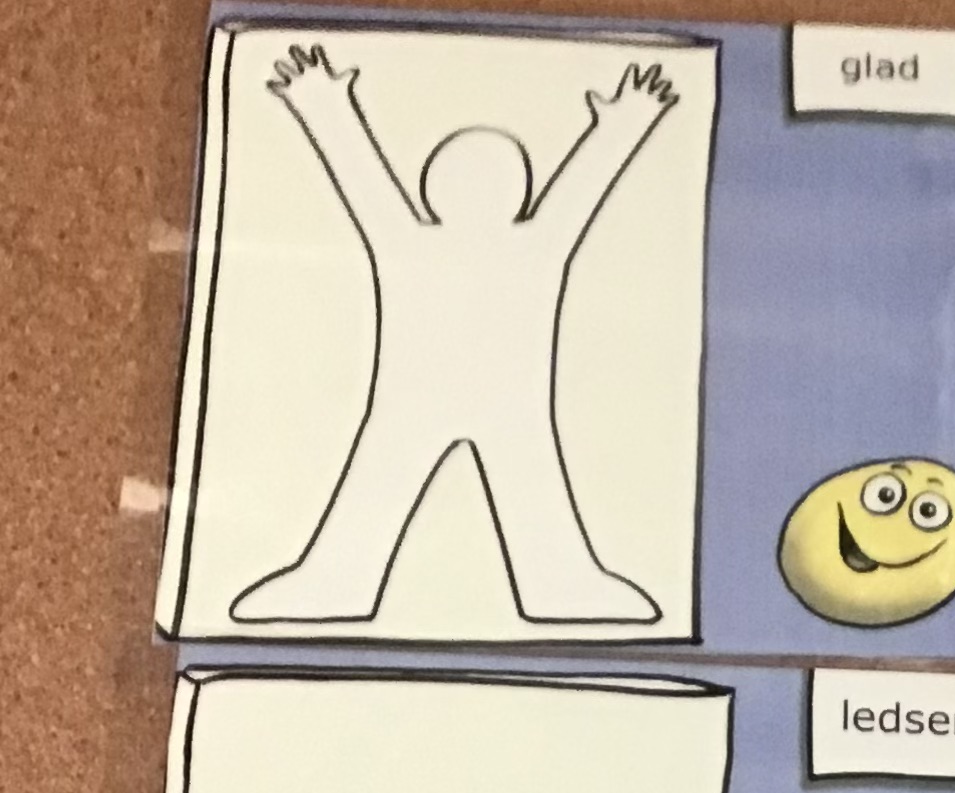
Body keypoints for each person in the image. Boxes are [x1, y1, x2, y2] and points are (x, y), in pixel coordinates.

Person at [232, 46, 674, 625]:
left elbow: (363, 176)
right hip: (429, 400)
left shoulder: (501, 244)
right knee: (398, 486)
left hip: (485, 403)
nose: (474, 185)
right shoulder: (482, 243)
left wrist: (321, 102)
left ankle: (558, 585)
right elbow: (362, 177)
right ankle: (340, 583)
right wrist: (320, 102)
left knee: (512, 493)